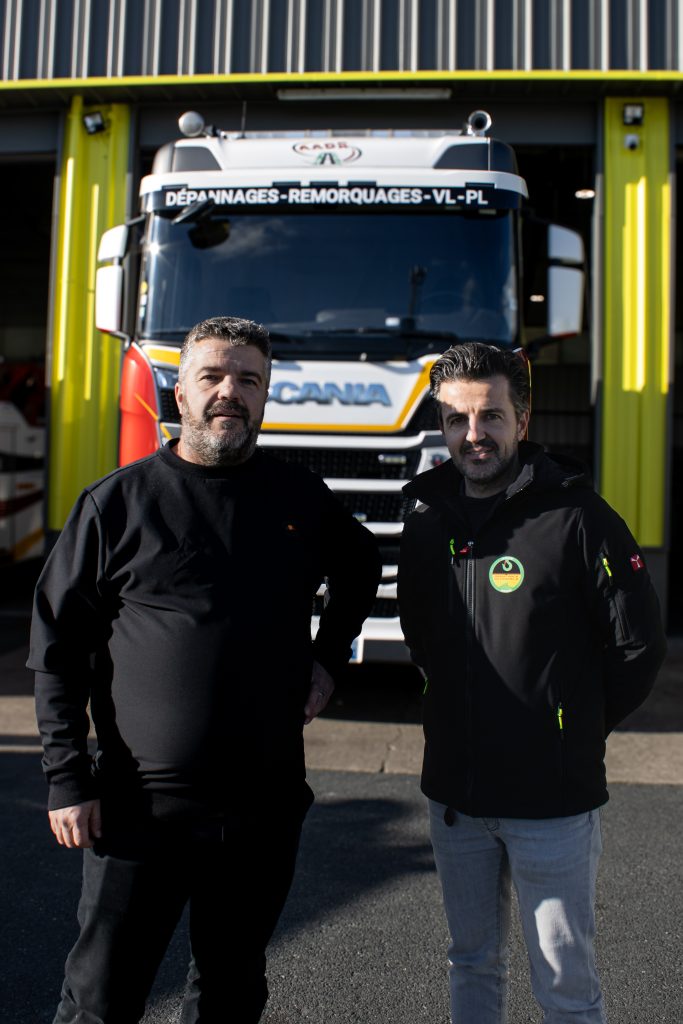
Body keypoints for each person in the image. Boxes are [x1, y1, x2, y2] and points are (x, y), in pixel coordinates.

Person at [29, 316, 380, 1024]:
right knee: (100, 998)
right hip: (138, 807)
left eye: (248, 379)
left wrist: (328, 657)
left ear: (265, 396)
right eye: (213, 376)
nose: (230, 392)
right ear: (179, 394)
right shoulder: (116, 503)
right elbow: (57, 649)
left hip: (262, 806)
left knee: (229, 992)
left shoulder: (297, 498)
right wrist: (68, 778)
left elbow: (362, 565)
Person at [397, 342, 666, 1024]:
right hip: (455, 795)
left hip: (550, 799)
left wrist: (568, 725)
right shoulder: (425, 518)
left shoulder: (579, 519)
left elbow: (635, 647)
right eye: (456, 419)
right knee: (469, 961)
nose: (473, 435)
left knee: (564, 984)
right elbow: (420, 630)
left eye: (489, 417)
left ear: (522, 419)